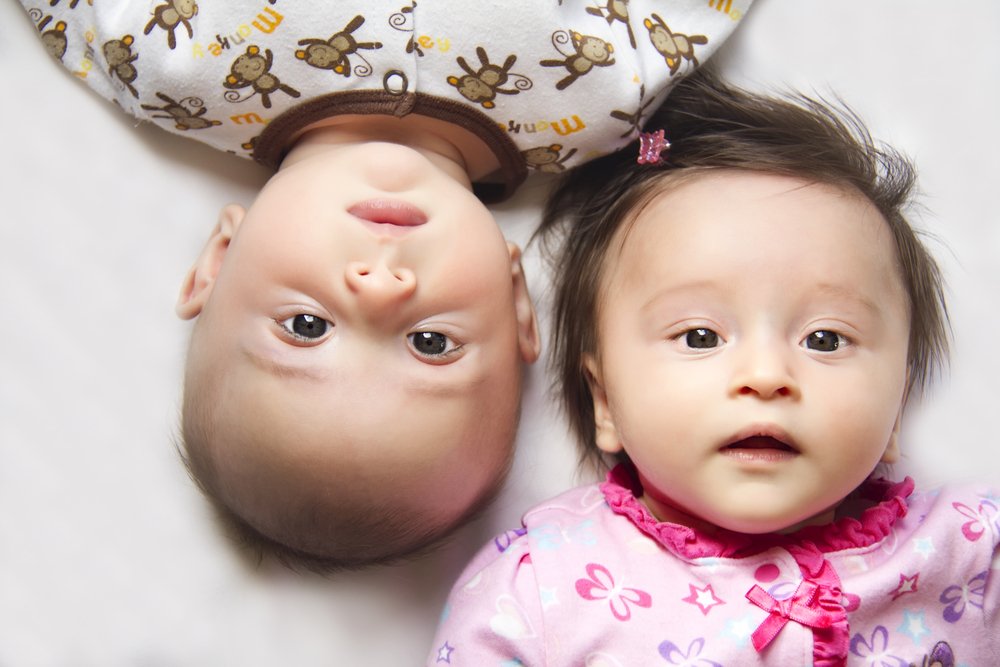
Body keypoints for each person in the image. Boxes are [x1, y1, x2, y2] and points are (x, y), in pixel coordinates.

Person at [17, 1, 754, 570]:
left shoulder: (170, 67)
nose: (377, 285)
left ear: (217, 260)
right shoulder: (604, 94)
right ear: (516, 301)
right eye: (430, 342)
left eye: (306, 325)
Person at [426, 70, 1000, 665]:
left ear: (897, 408)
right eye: (700, 336)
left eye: (825, 339)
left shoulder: (968, 552)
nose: (767, 374)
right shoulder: (543, 584)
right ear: (605, 402)